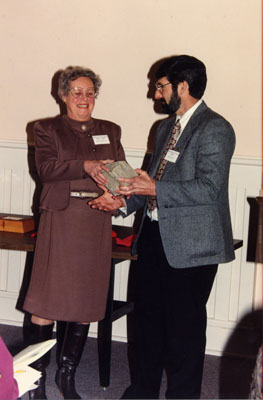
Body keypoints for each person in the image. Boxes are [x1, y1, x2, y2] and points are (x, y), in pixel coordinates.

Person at [89, 55, 236, 399]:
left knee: (183, 334)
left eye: (160, 86)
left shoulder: (215, 128)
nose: (154, 95)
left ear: (182, 87)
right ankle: (142, 391)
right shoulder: (165, 128)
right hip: (154, 238)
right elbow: (152, 183)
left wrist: (150, 187)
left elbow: (208, 189)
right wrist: (123, 201)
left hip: (193, 247)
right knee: (146, 325)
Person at [23, 65, 125, 400]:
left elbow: (121, 172)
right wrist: (86, 166)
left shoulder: (110, 129)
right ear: (63, 95)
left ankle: (67, 376)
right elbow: (47, 169)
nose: (84, 98)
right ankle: (35, 380)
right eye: (77, 92)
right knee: (47, 300)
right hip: (62, 218)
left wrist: (119, 195)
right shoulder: (46, 128)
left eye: (90, 93)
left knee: (86, 300)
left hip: (96, 220)